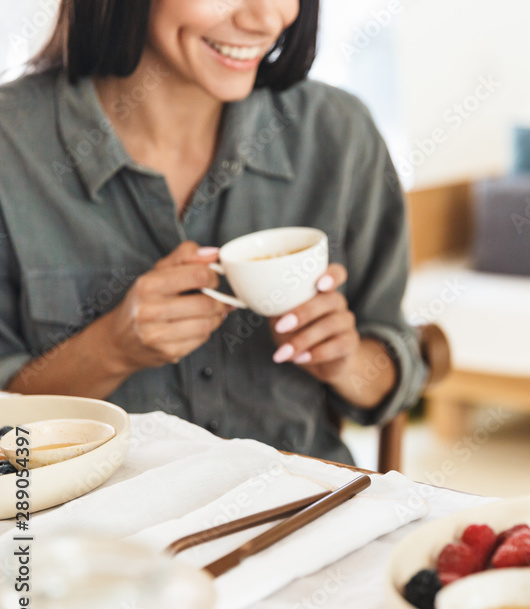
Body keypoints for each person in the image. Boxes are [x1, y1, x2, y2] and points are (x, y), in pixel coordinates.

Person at [0, 0, 426, 464]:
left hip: (305, 511)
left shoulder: (338, 134)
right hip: (88, 530)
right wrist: (111, 350)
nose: (265, 20)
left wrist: (345, 361)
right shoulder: (13, 147)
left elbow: (392, 375)